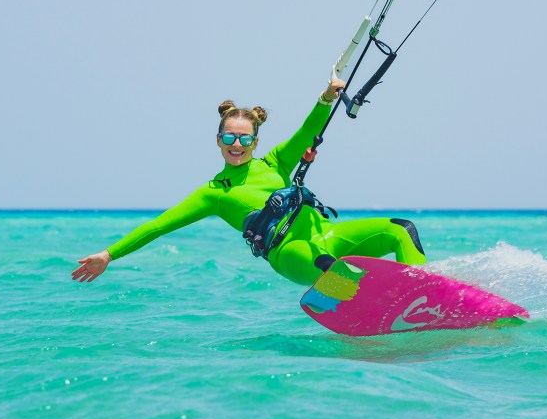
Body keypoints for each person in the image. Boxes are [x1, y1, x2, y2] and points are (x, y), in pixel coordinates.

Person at [72, 79, 426, 286]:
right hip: (290, 253)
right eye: (229, 138)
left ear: (255, 141)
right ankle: (364, 302)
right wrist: (108, 255)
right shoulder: (214, 193)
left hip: (329, 234)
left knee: (401, 228)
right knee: (331, 268)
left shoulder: (276, 162)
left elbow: (308, 131)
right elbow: (158, 226)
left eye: (244, 138)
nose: (236, 145)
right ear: (218, 140)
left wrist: (325, 100)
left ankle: (423, 289)